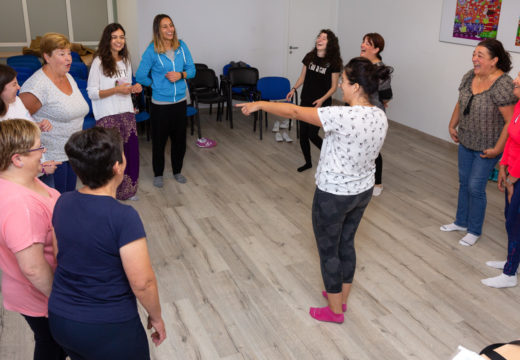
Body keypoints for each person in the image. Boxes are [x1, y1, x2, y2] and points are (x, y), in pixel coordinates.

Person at [239, 57, 392, 323]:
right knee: (346, 243)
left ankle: (333, 312)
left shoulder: (341, 115)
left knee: (328, 251)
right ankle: (341, 300)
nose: (341, 87)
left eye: (344, 82)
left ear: (356, 87)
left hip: (334, 195)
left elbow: (297, 112)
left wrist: (260, 104)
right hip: (362, 191)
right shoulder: (380, 115)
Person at [48, 127, 166, 359]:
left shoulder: (62, 202)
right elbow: (142, 283)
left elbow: (57, 255)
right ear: (117, 166)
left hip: (61, 320)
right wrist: (156, 316)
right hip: (109, 329)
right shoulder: (123, 217)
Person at [0, 119, 66, 360]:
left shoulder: (23, 179)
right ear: (17, 159)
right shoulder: (20, 205)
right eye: (38, 148)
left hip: (37, 293)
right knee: (52, 347)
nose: (43, 152)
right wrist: (61, 300)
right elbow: (33, 267)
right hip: (41, 296)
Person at [441, 39, 516, 246]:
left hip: (489, 147)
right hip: (466, 140)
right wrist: (451, 125)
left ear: (494, 60)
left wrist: (497, 150)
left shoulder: (503, 85)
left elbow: (510, 121)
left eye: (480, 55)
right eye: (474, 54)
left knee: (475, 187)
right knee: (464, 183)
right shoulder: (469, 76)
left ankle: (474, 230)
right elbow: (461, 102)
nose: (474, 59)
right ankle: (460, 222)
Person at [20, 32, 89, 193]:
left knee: (67, 199)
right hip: (51, 160)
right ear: (47, 57)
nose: (68, 58)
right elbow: (17, 125)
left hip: (71, 153)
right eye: (62, 54)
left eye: (69, 53)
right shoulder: (37, 86)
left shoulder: (67, 76)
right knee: (55, 205)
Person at [136, 14, 195, 187]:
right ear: (158, 30)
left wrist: (181, 75)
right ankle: (158, 174)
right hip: (160, 105)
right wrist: (155, 85)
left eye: (171, 25)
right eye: (164, 26)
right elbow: (140, 76)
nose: (170, 29)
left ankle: (177, 171)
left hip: (180, 102)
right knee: (159, 141)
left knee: (179, 141)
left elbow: (191, 70)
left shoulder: (181, 46)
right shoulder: (151, 51)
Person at [87, 23, 142, 201]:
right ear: (108, 40)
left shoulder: (126, 60)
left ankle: (129, 190)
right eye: (115, 37)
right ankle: (109, 193)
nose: (119, 41)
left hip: (126, 112)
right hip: (107, 115)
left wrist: (133, 88)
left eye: (122, 37)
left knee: (131, 153)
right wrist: (115, 91)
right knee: (112, 157)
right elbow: (92, 93)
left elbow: (123, 86)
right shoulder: (99, 62)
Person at [481, 71, 520, 288]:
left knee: (516, 222)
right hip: (512, 171)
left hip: (518, 176)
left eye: (519, 79)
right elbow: (513, 141)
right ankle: (512, 260)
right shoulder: (518, 106)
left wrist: (513, 179)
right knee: (509, 217)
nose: (514, 80)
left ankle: (509, 274)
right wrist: (503, 167)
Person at [286, 29, 342, 172]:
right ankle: (308, 162)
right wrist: (293, 89)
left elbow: (334, 87)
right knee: (303, 134)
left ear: (330, 43)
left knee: (312, 134)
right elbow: (302, 77)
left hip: (321, 104)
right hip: (306, 100)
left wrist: (322, 100)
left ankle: (332, 156)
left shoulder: (334, 62)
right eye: (319, 37)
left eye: (324, 38)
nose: (320, 39)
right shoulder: (309, 57)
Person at [0, 64, 60, 176]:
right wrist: (39, 169)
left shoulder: (17, 101)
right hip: (20, 174)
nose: (19, 87)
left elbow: (28, 125)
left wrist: (38, 125)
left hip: (37, 165)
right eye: (14, 84)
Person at [359, 33, 393, 196]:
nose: (363, 45)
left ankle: (377, 183)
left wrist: (381, 100)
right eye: (363, 41)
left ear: (376, 49)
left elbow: (387, 95)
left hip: (373, 115)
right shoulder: (362, 65)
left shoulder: (381, 69)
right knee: (359, 147)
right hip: (358, 113)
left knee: (372, 149)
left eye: (367, 43)